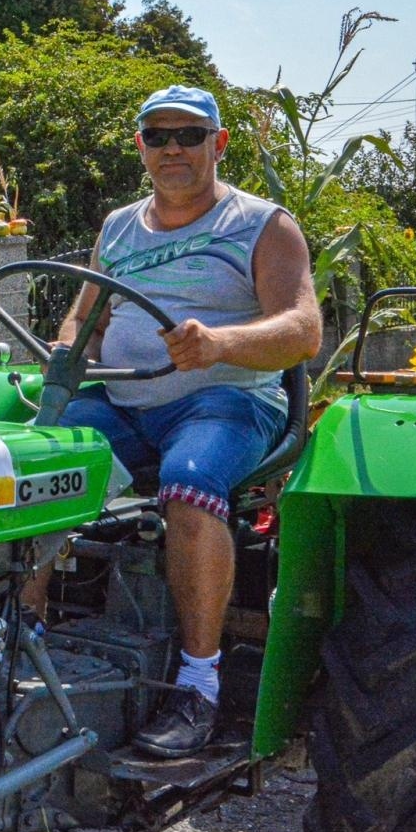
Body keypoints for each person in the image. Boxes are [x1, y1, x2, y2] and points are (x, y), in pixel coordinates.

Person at [45, 85, 321, 758]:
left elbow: (303, 329)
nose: (172, 148)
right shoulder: (118, 226)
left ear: (217, 145)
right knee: (35, 465)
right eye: (157, 135)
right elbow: (87, 316)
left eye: (189, 136)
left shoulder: (262, 224)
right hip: (126, 401)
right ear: (141, 146)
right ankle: (13, 639)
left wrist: (221, 343)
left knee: (190, 483)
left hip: (227, 399)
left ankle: (199, 684)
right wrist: (62, 351)